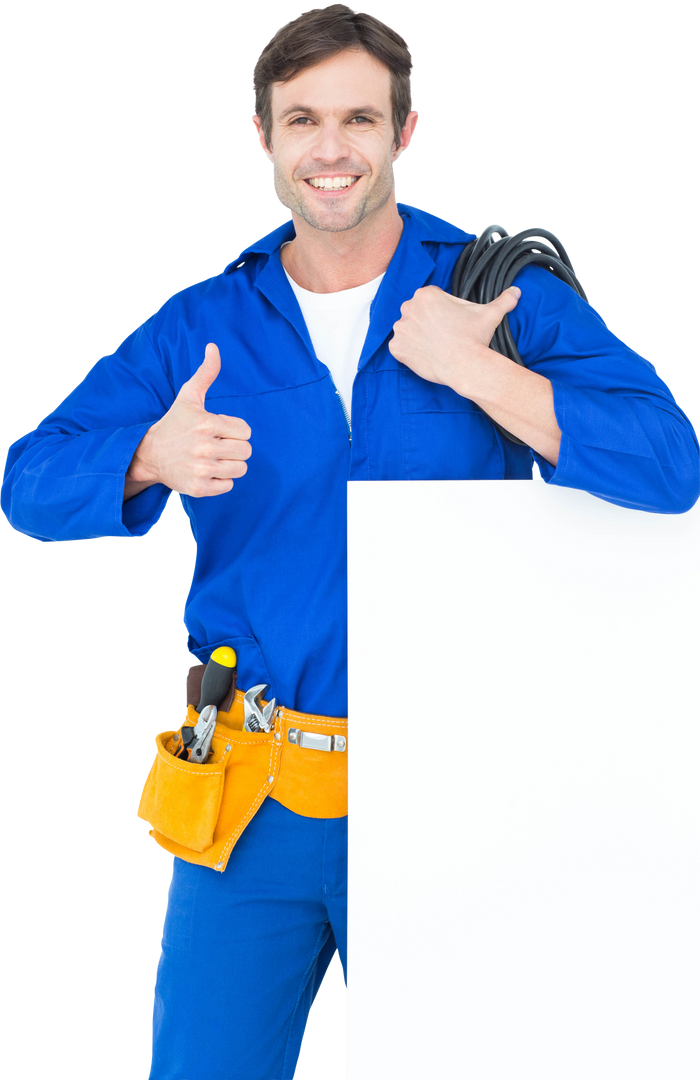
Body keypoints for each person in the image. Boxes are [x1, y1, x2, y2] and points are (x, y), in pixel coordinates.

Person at [2, 5, 699, 1078]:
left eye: (360, 119)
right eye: (304, 120)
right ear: (263, 137)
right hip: (248, 793)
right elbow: (27, 483)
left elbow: (668, 464)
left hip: (456, 792)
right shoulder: (200, 323)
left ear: (404, 132)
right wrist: (145, 455)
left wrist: (479, 370)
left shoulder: (495, 292)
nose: (332, 149)